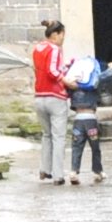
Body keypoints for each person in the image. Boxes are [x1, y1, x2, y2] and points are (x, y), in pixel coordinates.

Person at [30, 20, 72, 183]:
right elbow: (52, 71)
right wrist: (67, 81)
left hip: (40, 96)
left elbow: (42, 69)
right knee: (59, 137)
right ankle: (58, 175)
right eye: (62, 35)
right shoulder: (55, 49)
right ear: (55, 35)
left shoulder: (38, 48)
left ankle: (44, 169)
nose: (63, 39)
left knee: (46, 135)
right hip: (55, 96)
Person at [63, 53, 107, 183]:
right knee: (95, 147)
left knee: (77, 146)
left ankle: (73, 172)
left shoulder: (73, 87)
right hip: (90, 121)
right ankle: (98, 171)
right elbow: (105, 76)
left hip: (78, 121)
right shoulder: (92, 82)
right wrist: (111, 68)